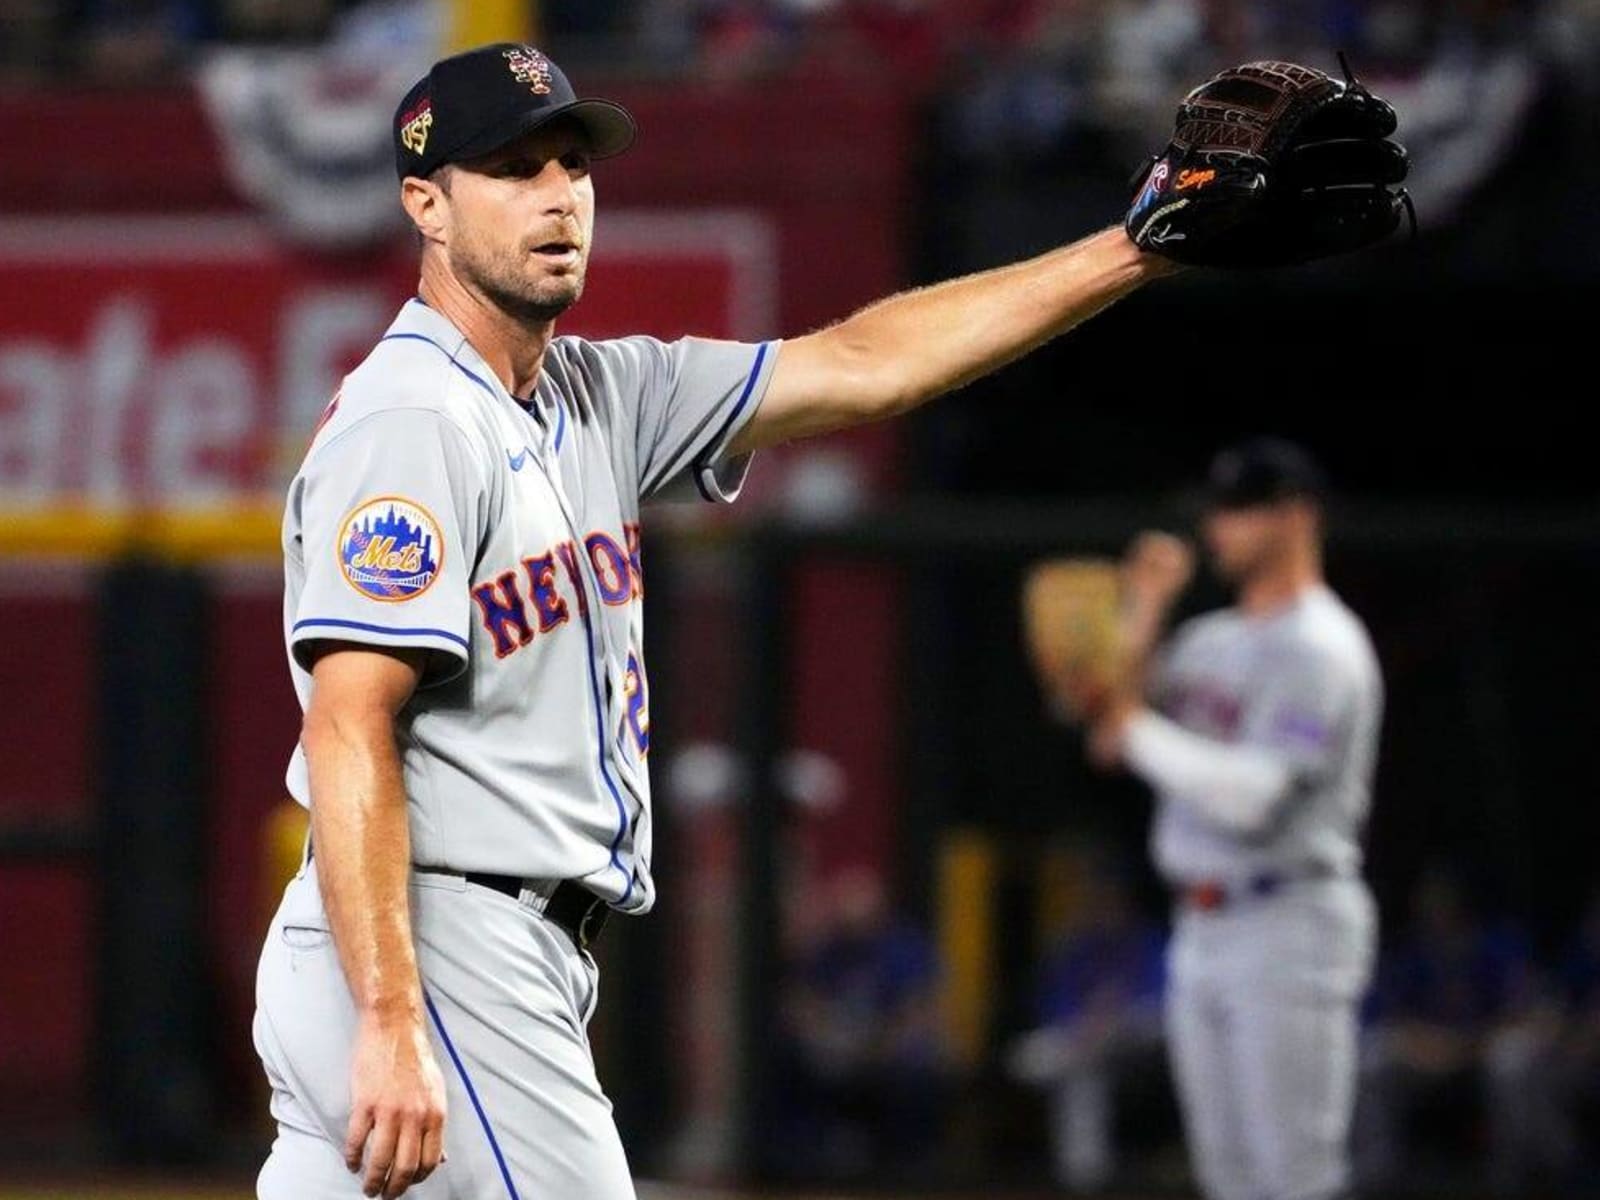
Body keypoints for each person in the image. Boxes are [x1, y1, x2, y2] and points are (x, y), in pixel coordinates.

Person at [252, 39, 1180, 1200]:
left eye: (572, 166)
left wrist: (1132, 248)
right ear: (426, 207)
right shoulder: (416, 421)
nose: (557, 197)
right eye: (513, 170)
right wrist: (393, 1013)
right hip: (437, 939)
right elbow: (349, 726)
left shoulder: (597, 394)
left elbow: (862, 364)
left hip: (457, 942)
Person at [1070, 439, 1385, 1200]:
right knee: (1229, 1177)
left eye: (1241, 510)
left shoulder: (1322, 648)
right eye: (1217, 511)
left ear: (1296, 516)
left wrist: (1133, 730)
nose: (1219, 527)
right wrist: (1143, 604)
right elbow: (1107, 723)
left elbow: (1252, 798)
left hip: (1289, 918)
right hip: (1203, 926)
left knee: (1295, 1178)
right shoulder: (1211, 641)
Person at [771, 868, 947, 1178]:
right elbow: (800, 1001)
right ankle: (799, 1167)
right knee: (787, 1059)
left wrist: (876, 1047)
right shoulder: (831, 949)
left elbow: (921, 1012)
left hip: (888, 1053)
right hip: (839, 1050)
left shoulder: (903, 946)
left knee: (916, 1072)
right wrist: (828, 1034)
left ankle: (909, 1170)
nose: (850, 915)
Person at [1006, 856, 1167, 1192]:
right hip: (1087, 1048)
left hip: (1141, 1046)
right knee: (1038, 1058)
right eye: (1096, 899)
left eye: (1110, 899)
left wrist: (1113, 1015)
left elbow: (1165, 1004)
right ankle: (1086, 1183)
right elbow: (1053, 1007)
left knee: (1144, 1025)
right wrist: (1084, 1024)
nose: (1102, 907)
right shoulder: (1076, 948)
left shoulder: (1148, 941)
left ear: (1126, 902)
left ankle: (1085, 1179)